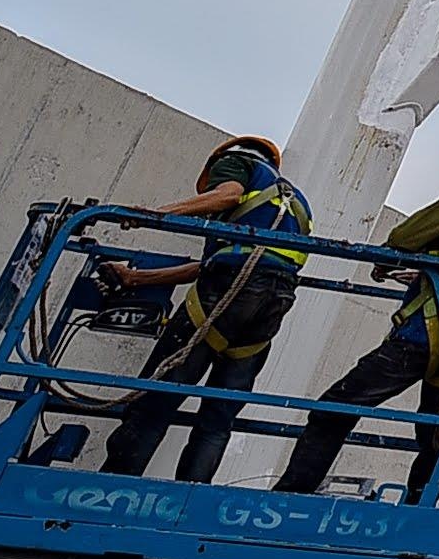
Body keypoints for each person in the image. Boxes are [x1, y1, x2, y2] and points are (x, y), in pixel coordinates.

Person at [272, 115, 439, 500]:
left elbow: (404, 236)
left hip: (426, 333)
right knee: (436, 431)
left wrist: (421, 264)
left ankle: (289, 494)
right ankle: (419, 507)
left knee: (336, 406)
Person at [96, 136, 313, 482]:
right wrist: (137, 279)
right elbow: (214, 262)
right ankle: (188, 498)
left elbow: (226, 197)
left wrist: (155, 215)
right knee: (217, 418)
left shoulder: (236, 164)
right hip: (273, 300)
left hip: (228, 288)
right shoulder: (294, 202)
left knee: (155, 401)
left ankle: (108, 489)